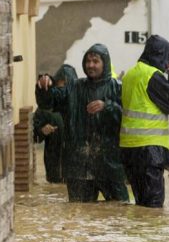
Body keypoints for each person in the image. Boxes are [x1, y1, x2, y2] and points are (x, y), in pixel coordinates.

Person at [36, 44, 128, 202]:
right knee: (79, 213)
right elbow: (50, 102)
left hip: (110, 165)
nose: (90, 65)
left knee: (120, 209)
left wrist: (107, 107)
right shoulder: (74, 87)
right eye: (88, 61)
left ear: (104, 63)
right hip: (78, 167)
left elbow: (127, 117)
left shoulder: (116, 88)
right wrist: (45, 87)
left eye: (95, 61)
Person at [120, 35, 169, 208]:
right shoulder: (151, 76)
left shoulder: (130, 75)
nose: (167, 64)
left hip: (129, 150)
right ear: (161, 56)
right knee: (153, 208)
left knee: (141, 205)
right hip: (149, 151)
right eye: (167, 59)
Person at [33, 65, 78, 183]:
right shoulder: (46, 109)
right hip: (54, 173)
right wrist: (42, 131)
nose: (63, 90)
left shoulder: (80, 106)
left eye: (67, 85)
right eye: (61, 85)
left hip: (75, 174)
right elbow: (34, 138)